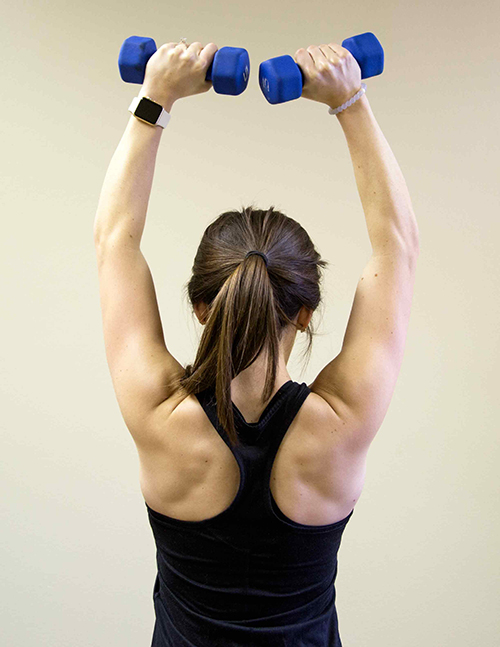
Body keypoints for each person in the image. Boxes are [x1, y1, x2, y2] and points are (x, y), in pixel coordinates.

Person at [94, 39, 420, 647]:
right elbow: (396, 247)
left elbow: (115, 239)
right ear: (304, 311)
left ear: (198, 305)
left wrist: (155, 96)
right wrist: (349, 98)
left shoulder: (161, 416)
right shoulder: (341, 422)